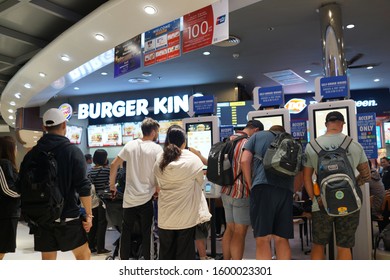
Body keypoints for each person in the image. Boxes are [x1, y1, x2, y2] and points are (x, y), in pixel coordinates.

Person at [18, 108, 93, 260]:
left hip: (41, 217)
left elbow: (22, 185)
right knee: (83, 255)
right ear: (64, 125)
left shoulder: (32, 154)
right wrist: (89, 215)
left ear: (44, 128)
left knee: (48, 260)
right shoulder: (73, 151)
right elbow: (83, 186)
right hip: (67, 217)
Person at [303, 111, 370, 260]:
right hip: (350, 203)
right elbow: (366, 175)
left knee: (318, 244)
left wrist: (315, 199)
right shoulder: (354, 144)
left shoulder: (312, 146)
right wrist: (353, 187)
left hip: (321, 203)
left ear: (326, 124)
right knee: (344, 246)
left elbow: (306, 177)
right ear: (342, 124)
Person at [109, 117, 162, 260]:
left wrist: (112, 186)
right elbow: (159, 171)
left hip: (129, 199)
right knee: (147, 232)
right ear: (152, 131)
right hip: (147, 198)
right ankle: (147, 261)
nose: (157, 134)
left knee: (126, 231)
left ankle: (123, 261)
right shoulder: (157, 149)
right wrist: (157, 189)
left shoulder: (130, 145)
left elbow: (114, 165)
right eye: (157, 131)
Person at [241, 124, 295, 260]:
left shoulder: (257, 136)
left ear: (270, 130)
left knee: (263, 238)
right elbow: (299, 170)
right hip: (285, 191)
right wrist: (293, 190)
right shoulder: (291, 141)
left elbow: (244, 160)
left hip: (262, 188)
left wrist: (250, 184)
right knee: (282, 238)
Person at [153, 125, 205, 259]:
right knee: (185, 254)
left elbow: (157, 184)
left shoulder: (160, 158)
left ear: (168, 141)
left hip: (165, 216)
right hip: (186, 217)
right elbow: (200, 181)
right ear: (184, 142)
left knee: (166, 254)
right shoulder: (193, 159)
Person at [221, 120, 263, 260]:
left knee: (229, 229)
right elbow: (247, 164)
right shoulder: (248, 143)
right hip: (241, 191)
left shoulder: (228, 140)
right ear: (256, 130)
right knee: (240, 232)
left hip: (226, 190)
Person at [0, 136, 20, 260]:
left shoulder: (7, 164)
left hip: (8, 212)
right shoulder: (4, 163)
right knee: (2, 248)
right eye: (15, 146)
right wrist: (23, 194)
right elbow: (7, 188)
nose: (17, 149)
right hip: (5, 213)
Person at [87, 149, 111, 254]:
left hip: (92, 200)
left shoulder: (90, 171)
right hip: (103, 200)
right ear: (104, 158)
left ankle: (91, 246)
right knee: (102, 223)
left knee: (93, 223)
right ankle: (100, 247)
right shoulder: (107, 170)